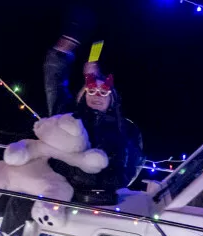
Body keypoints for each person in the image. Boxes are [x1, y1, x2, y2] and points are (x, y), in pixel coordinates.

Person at [45, 34, 144, 206]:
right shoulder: (67, 114)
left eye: (103, 92)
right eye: (91, 91)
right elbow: (55, 81)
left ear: (112, 98)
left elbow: (132, 167)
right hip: (59, 192)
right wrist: (60, 54)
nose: (97, 96)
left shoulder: (127, 129)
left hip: (103, 201)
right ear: (83, 94)